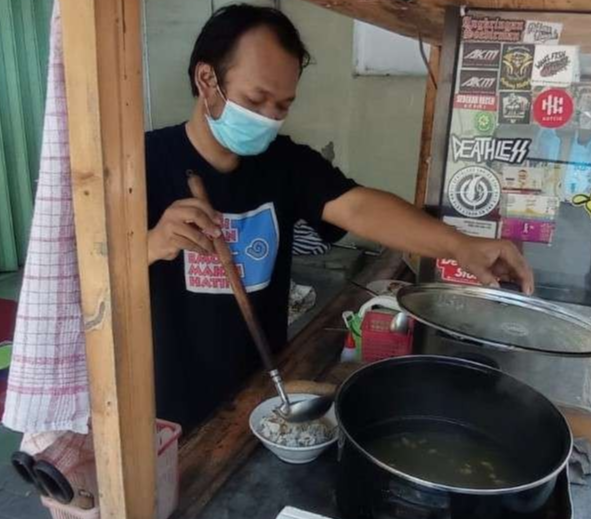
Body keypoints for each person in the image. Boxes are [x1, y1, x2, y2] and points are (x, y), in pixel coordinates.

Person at [145, 4, 534, 431]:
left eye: (282, 106)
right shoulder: (141, 165)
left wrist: (460, 245)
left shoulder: (284, 163)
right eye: (256, 99)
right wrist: (149, 245)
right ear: (207, 80)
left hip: (265, 394)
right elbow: (78, 280)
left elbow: (358, 206)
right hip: (166, 409)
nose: (268, 118)